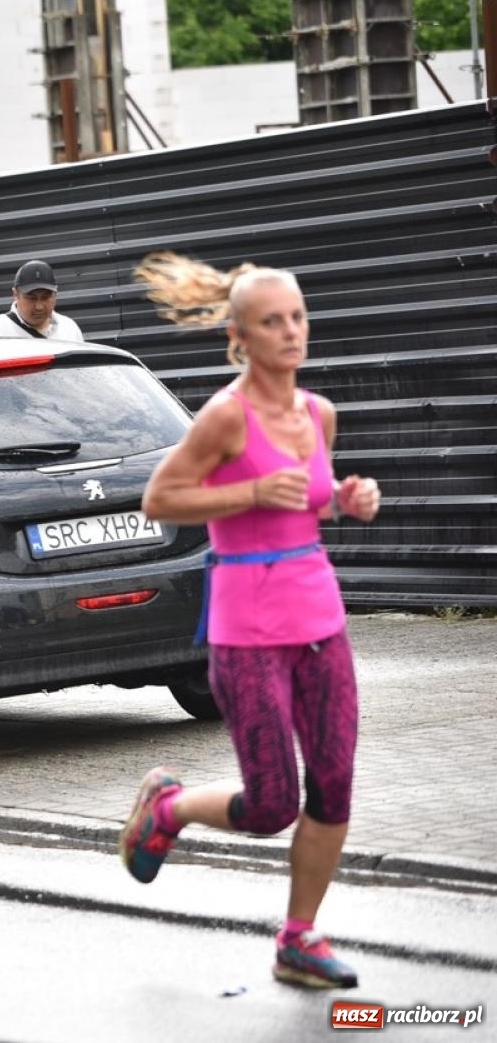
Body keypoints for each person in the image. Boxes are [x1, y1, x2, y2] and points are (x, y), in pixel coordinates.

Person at [118, 252, 381, 989]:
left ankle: (299, 937)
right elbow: (160, 500)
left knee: (333, 784)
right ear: (241, 336)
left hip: (319, 620)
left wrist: (346, 500)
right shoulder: (224, 418)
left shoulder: (318, 413)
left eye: (297, 317)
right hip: (246, 630)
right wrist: (254, 489)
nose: (291, 332)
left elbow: (308, 504)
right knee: (271, 805)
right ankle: (168, 805)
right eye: (273, 322)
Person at [0, 259, 84, 342]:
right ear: (15, 294)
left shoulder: (70, 329)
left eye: (45, 297)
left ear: (55, 295)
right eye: (32, 298)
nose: (39, 307)